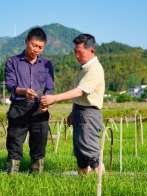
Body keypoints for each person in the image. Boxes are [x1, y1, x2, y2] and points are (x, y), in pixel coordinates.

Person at [41, 33, 105, 174]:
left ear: (91, 51)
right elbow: (81, 97)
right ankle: (83, 183)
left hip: (89, 114)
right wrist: (74, 113)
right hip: (80, 111)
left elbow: (79, 91)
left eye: (80, 52)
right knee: (80, 152)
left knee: (91, 151)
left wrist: (54, 98)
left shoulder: (94, 68)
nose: (76, 56)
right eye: (75, 52)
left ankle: (101, 185)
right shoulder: (85, 68)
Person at [4, 27, 54, 173]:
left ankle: (36, 174)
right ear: (26, 42)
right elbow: (10, 85)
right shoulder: (13, 62)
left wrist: (47, 102)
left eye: (40, 47)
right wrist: (24, 91)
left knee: (39, 142)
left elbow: (50, 88)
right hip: (19, 107)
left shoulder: (46, 64)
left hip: (39, 108)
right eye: (34, 45)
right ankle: (12, 174)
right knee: (14, 142)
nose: (36, 49)